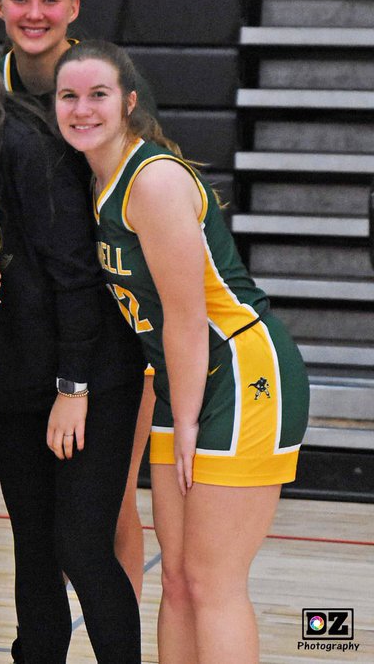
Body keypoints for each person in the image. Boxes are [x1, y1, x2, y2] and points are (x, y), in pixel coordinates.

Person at [55, 40, 309, 664]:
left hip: (242, 371)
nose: (82, 109)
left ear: (129, 102)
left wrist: (187, 419)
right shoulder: (97, 181)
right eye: (68, 96)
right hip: (184, 382)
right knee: (175, 581)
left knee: (211, 583)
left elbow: (189, 319)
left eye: (98, 95)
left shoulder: (154, 180)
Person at [0, 17, 143, 662]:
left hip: (84, 376)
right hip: (16, 379)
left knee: (81, 546)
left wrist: (75, 387)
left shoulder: (21, 142)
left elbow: (74, 275)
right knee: (35, 545)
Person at [0, 0, 156, 598]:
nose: (35, 14)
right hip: (29, 339)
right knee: (36, 535)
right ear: (0, 7)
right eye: (21, 0)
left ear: (74, 8)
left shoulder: (99, 80)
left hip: (113, 332)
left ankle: (117, 636)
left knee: (110, 509)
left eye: (50, 0)